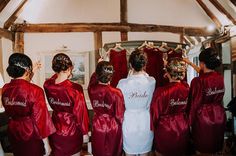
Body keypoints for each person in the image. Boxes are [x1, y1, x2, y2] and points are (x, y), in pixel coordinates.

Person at [1, 53, 55, 156]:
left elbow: (20, 84)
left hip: (13, 131)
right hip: (31, 132)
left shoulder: (5, 89)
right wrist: (47, 145)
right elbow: (41, 119)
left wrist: (32, 69)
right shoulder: (36, 91)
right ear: (27, 71)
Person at [44, 53, 89, 156]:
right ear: (69, 68)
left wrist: (62, 72)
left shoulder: (47, 85)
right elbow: (81, 113)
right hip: (72, 131)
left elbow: (54, 78)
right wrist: (85, 132)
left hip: (55, 129)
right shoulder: (75, 89)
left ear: (55, 69)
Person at [187, 48, 226, 154]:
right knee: (216, 147)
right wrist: (190, 63)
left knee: (203, 149)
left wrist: (188, 123)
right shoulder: (220, 77)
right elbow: (203, 73)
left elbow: (194, 104)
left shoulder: (197, 82)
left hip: (204, 119)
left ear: (202, 63)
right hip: (219, 115)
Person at [117, 50, 156, 156]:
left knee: (129, 153)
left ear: (130, 65)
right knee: (145, 153)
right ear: (144, 65)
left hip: (129, 121)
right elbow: (146, 76)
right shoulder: (151, 81)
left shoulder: (122, 83)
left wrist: (130, 75)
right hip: (145, 121)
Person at [150, 58, 190, 156]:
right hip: (182, 127)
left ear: (167, 73)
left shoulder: (161, 91)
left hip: (165, 129)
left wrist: (152, 128)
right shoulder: (186, 88)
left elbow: (154, 113)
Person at [88, 61, 125, 156]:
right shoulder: (116, 93)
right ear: (111, 76)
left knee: (99, 151)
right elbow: (120, 116)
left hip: (97, 125)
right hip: (113, 126)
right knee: (114, 152)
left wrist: (99, 65)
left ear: (97, 74)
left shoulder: (92, 89)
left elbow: (92, 79)